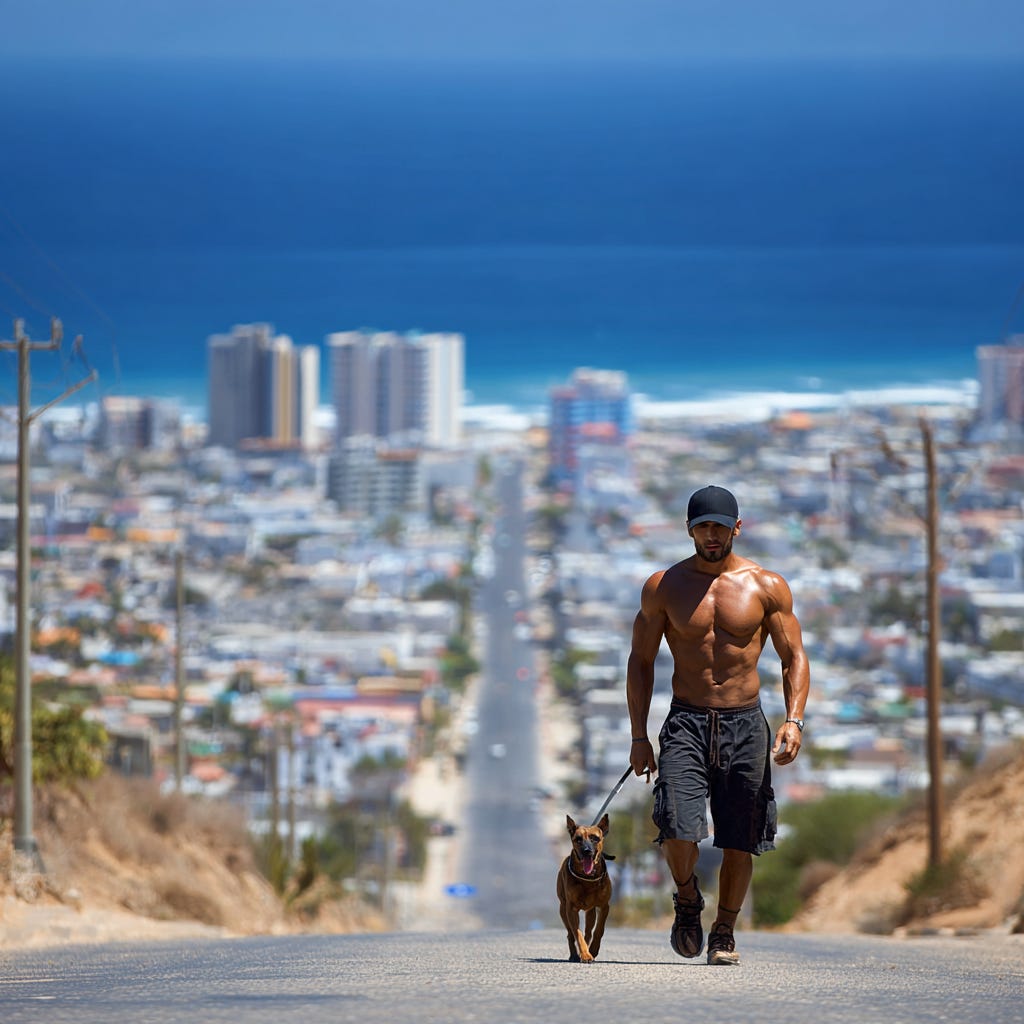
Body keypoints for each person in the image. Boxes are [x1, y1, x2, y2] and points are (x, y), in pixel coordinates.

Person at [626, 484, 810, 966]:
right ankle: (687, 899)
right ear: (689, 529)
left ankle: (724, 930)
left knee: (739, 836)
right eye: (704, 526)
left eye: (721, 527)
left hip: (745, 724)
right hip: (686, 720)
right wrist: (638, 735)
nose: (712, 535)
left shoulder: (766, 586)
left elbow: (794, 657)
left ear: (737, 528)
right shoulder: (663, 587)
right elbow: (640, 660)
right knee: (678, 825)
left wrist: (794, 719)